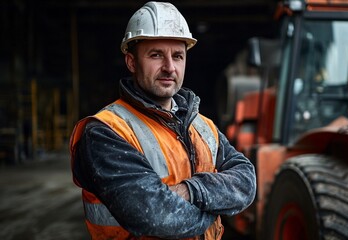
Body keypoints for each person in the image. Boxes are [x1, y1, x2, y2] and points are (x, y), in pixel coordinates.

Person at [69, 2, 257, 240]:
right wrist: (215, 209)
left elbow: (246, 181)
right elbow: (155, 215)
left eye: (178, 56)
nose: (169, 67)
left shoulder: (202, 126)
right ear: (132, 62)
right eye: (156, 55)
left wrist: (190, 190)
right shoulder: (106, 131)